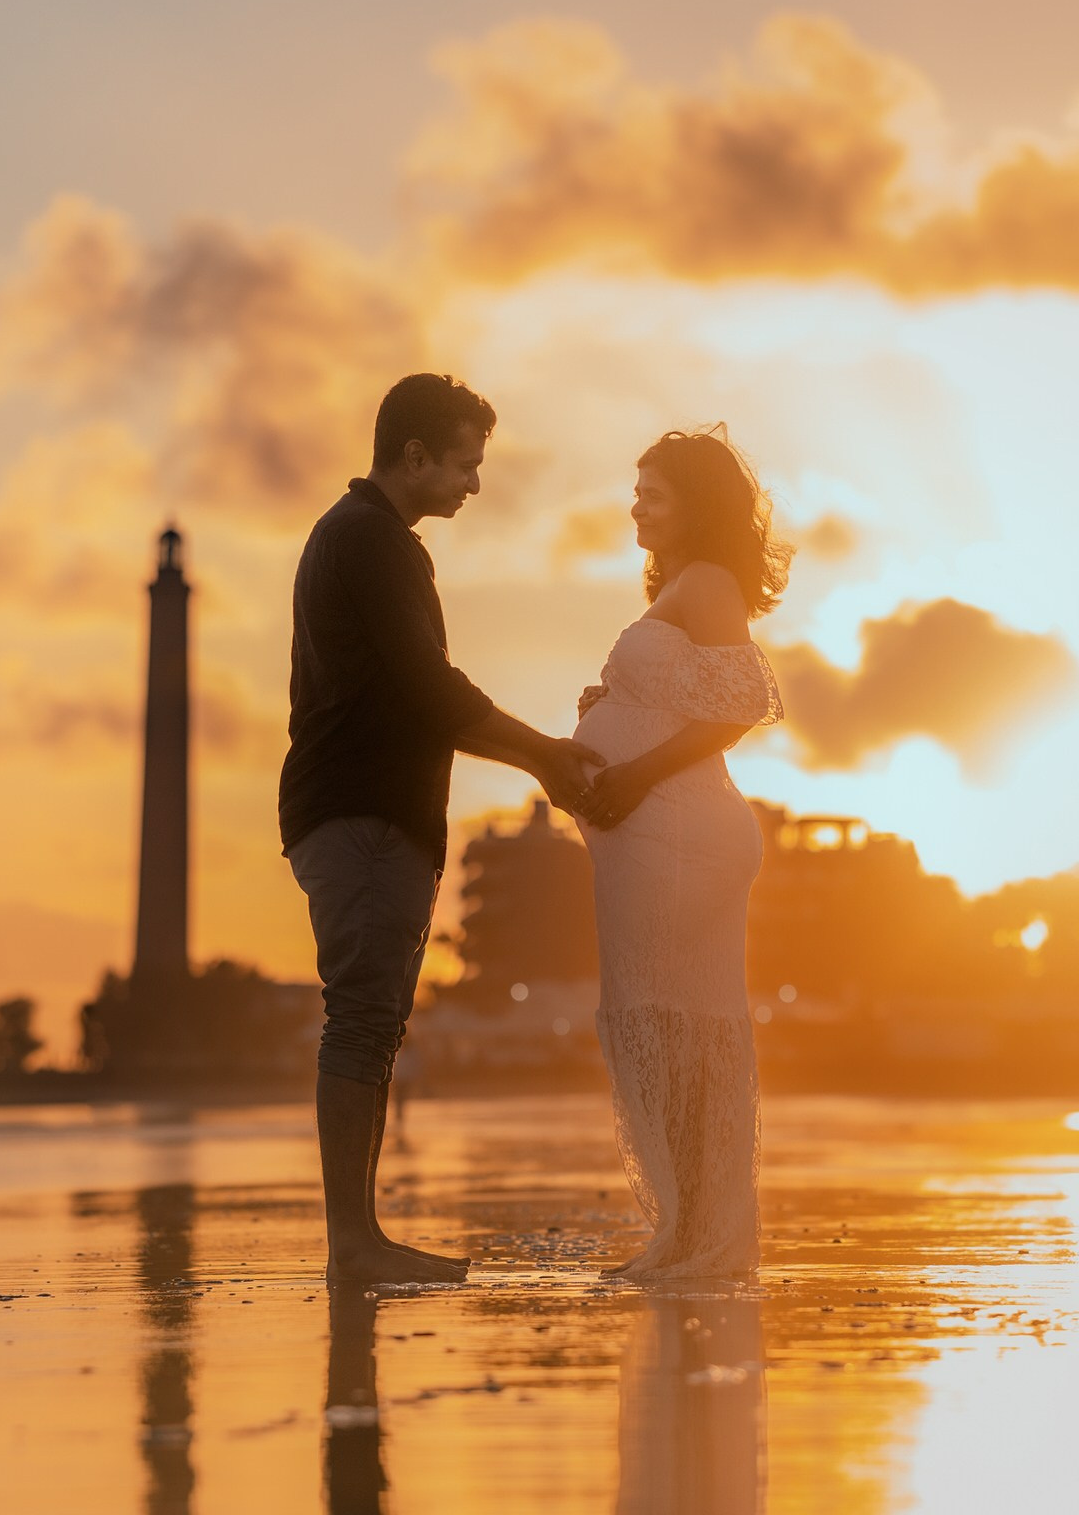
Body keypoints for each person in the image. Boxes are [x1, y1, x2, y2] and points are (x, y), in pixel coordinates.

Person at [281, 372, 598, 1286]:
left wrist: (538, 760)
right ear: (414, 455)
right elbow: (432, 693)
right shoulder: (373, 542)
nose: (474, 483)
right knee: (361, 1021)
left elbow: (416, 694)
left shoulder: (358, 539)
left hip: (357, 812)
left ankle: (360, 1240)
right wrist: (547, 756)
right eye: (465, 463)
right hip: (363, 814)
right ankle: (354, 1246)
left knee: (370, 1024)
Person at [573, 427, 788, 1282]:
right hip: (661, 842)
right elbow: (688, 695)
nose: (635, 505)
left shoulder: (707, 582)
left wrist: (628, 776)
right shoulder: (685, 590)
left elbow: (742, 703)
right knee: (667, 1031)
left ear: (694, 505)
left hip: (682, 841)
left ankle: (696, 1238)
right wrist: (613, 699)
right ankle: (689, 1233)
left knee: (679, 1034)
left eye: (652, 492)